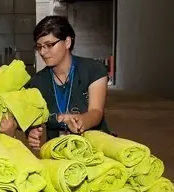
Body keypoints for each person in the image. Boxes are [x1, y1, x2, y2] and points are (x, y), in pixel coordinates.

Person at [27, 15, 111, 150]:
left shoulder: (93, 70)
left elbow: (96, 112)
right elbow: (33, 120)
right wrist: (31, 133)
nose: (43, 52)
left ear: (67, 42)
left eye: (49, 45)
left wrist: (81, 121)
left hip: (95, 146)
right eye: (39, 46)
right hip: (58, 152)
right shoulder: (37, 81)